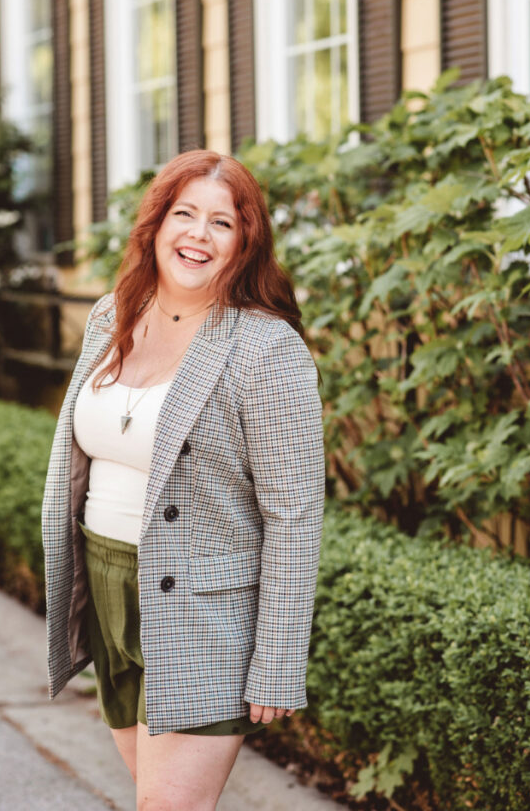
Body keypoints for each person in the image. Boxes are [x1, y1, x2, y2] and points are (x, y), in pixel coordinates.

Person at [42, 150, 325, 811]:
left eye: (222, 224)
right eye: (185, 214)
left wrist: (278, 662)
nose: (199, 234)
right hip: (111, 594)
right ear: (156, 224)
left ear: (245, 244)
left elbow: (294, 513)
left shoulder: (266, 347)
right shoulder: (111, 317)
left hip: (203, 612)